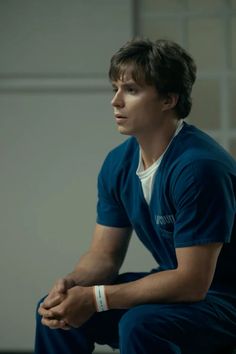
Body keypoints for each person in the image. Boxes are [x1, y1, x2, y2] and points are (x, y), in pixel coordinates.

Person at [35, 38, 236, 354]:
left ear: (168, 99)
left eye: (131, 90)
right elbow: (104, 255)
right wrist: (72, 286)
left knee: (140, 322)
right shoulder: (118, 163)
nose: (115, 101)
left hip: (223, 296)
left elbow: (193, 282)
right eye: (115, 88)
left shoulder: (199, 168)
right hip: (181, 284)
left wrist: (97, 298)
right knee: (56, 311)